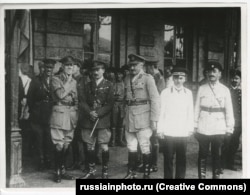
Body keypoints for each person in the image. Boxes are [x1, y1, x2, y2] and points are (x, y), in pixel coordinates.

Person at [194, 61, 234, 179]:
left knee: (217, 154)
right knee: (202, 154)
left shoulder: (225, 90)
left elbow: (229, 110)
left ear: (220, 74)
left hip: (218, 126)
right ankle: (202, 178)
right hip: (203, 126)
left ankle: (216, 179)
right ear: (206, 73)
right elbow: (197, 108)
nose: (211, 73)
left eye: (214, 71)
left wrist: (229, 127)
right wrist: (194, 124)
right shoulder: (202, 88)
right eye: (209, 71)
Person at [123, 54, 160, 179]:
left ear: (141, 65)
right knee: (131, 145)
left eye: (135, 65)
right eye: (130, 65)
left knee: (144, 145)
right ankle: (131, 172)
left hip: (143, 117)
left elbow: (155, 99)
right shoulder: (127, 77)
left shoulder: (148, 78)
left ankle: (146, 173)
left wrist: (154, 119)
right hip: (129, 116)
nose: (132, 68)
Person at [79, 60, 114, 179]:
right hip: (89, 120)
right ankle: (91, 171)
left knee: (104, 146)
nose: (95, 72)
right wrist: (90, 112)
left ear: (103, 70)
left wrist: (98, 113)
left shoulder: (109, 85)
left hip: (102, 120)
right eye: (93, 70)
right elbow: (82, 101)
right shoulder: (87, 85)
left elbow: (110, 104)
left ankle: (105, 171)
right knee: (89, 146)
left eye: (98, 69)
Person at [157, 66, 194, 179]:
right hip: (169, 131)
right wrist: (160, 129)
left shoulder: (188, 93)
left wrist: (190, 128)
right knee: (168, 158)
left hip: (182, 131)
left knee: (181, 158)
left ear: (185, 79)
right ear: (173, 78)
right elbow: (161, 112)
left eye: (181, 78)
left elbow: (190, 112)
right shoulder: (165, 93)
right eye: (176, 77)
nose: (178, 80)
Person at [50, 55, 78, 183]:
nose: (70, 68)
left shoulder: (75, 81)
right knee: (59, 144)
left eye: (71, 66)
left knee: (67, 143)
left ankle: (63, 169)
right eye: (67, 65)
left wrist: (76, 113)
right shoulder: (55, 79)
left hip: (71, 114)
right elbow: (60, 95)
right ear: (62, 67)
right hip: (59, 112)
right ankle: (57, 171)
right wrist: (69, 82)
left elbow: (76, 100)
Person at [27, 59, 56, 170]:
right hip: (38, 114)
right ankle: (41, 161)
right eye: (47, 67)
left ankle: (48, 159)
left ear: (53, 69)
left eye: (51, 68)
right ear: (43, 68)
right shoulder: (36, 80)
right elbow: (30, 98)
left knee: (48, 138)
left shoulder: (55, 80)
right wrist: (35, 110)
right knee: (39, 138)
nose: (49, 70)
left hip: (50, 114)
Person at [145, 59, 165, 172]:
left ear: (152, 67)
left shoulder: (158, 77)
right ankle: (145, 162)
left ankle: (154, 163)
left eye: (147, 67)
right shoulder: (149, 76)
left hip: (155, 110)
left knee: (154, 139)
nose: (146, 69)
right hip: (146, 110)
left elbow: (159, 95)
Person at [222, 69, 242, 171]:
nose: (234, 80)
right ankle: (221, 164)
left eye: (237, 78)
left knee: (234, 144)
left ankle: (230, 163)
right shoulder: (226, 91)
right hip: (227, 121)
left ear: (240, 79)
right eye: (233, 78)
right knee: (225, 143)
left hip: (238, 122)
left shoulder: (242, 92)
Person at [110, 68, 126, 147]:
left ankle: (120, 140)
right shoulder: (113, 84)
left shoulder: (125, 84)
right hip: (114, 105)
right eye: (117, 74)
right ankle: (112, 140)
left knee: (121, 123)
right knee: (113, 122)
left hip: (122, 105)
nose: (118, 76)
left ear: (123, 75)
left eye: (120, 74)